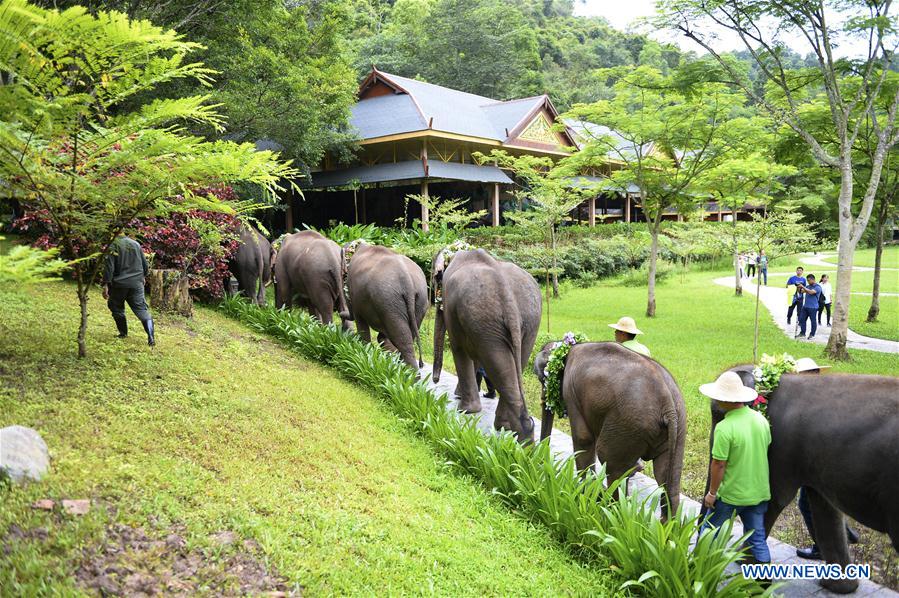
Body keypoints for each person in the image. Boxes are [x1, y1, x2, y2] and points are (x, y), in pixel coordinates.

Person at [700, 371, 772, 566]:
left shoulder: (724, 427)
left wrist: (712, 493)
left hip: (730, 495)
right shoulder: (761, 421)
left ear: (723, 399)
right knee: (757, 538)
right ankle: (764, 582)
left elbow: (719, 464)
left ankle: (698, 572)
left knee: (708, 531)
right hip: (758, 493)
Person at [791, 358, 860, 559]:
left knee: (807, 504)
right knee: (830, 500)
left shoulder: (808, 401)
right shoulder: (824, 394)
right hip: (832, 460)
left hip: (818, 463)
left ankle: (823, 546)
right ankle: (845, 532)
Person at [102, 234, 155, 346]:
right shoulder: (136, 244)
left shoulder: (113, 246)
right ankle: (151, 338)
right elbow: (145, 265)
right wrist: (143, 277)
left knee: (116, 307)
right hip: (136, 284)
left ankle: (123, 333)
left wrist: (106, 284)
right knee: (141, 309)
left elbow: (109, 267)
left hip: (119, 285)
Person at [796, 273, 822, 340]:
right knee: (802, 320)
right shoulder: (808, 286)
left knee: (813, 321)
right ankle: (802, 333)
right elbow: (801, 292)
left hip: (813, 307)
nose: (808, 282)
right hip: (805, 307)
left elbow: (811, 292)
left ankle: (812, 334)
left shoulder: (817, 287)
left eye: (809, 280)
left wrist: (803, 286)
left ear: (813, 279)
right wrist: (799, 287)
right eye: (807, 280)